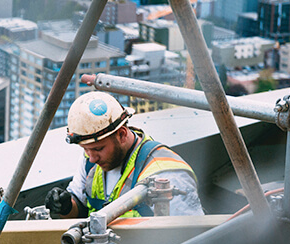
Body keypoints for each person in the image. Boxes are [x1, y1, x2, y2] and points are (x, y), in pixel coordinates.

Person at [45, 91, 204, 219]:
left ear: (121, 135)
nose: (92, 157)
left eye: (98, 149)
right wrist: (66, 206)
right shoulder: (91, 159)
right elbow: (80, 207)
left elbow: (189, 239)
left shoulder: (166, 174)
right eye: (86, 149)